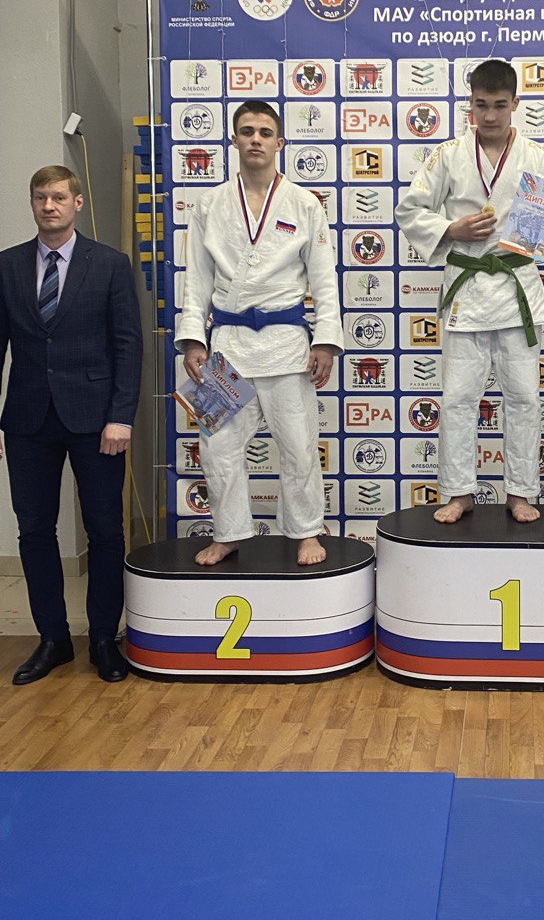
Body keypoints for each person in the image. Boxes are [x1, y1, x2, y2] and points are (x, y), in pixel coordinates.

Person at [396, 58, 544, 523]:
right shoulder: (447, 155)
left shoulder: (539, 157)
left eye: (500, 105)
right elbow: (409, 210)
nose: (490, 115)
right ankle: (459, 491)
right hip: (467, 290)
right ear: (470, 104)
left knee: (524, 398)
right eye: (481, 105)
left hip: (517, 288)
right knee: (458, 399)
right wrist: (450, 229)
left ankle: (520, 491)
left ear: (516, 103)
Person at [176, 100, 343, 565]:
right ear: (233, 140)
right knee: (217, 447)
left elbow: (324, 278)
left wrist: (325, 340)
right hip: (226, 345)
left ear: (279, 142)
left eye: (265, 132)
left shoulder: (304, 203)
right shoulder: (210, 204)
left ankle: (306, 531)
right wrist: (194, 338)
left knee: (298, 445)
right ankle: (228, 532)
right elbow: (197, 278)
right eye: (247, 131)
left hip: (287, 344)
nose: (256, 139)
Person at [0, 166, 142, 684]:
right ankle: (53, 639)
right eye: (40, 197)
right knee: (35, 530)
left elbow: (128, 346)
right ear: (32, 203)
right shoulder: (7, 265)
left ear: (77, 202)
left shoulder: (110, 265)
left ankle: (103, 637)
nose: (49, 206)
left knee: (104, 529)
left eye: (59, 197)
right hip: (27, 419)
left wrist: (120, 417)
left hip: (96, 420)